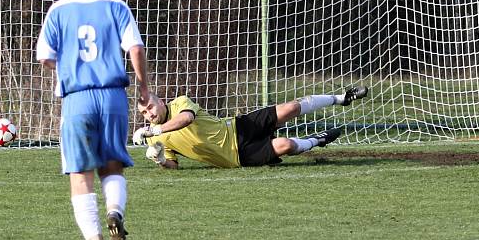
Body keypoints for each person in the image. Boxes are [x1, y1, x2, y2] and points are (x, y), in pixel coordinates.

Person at [36, 0, 150, 240]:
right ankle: (115, 211)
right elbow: (136, 49)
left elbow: (45, 56)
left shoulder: (58, 10)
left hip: (78, 99)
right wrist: (144, 89)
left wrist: (68, 61)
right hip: (113, 96)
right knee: (112, 166)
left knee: (80, 175)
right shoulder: (117, 6)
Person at [132, 86, 368, 169]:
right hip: (237, 157)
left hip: (237, 127)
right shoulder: (154, 139)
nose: (150, 114)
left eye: (151, 107)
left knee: (291, 108)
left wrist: (155, 132)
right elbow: (173, 166)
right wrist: (160, 159)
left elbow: (186, 120)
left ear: (160, 101)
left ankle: (341, 98)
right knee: (284, 145)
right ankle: (317, 140)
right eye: (144, 113)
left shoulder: (179, 103)